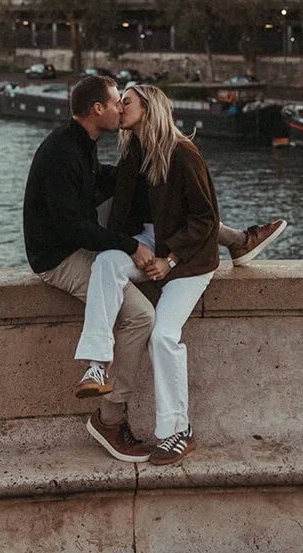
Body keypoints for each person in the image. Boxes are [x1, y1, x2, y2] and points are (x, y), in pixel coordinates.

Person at [74, 83, 221, 467]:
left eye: (126, 102)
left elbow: (206, 220)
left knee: (163, 336)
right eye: (118, 101)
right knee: (106, 262)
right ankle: (95, 362)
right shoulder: (133, 153)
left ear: (148, 107)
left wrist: (169, 259)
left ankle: (178, 431)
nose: (119, 107)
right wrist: (118, 245)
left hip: (189, 261)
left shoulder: (183, 153)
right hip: (151, 243)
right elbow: (121, 217)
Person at [22, 72, 156, 462]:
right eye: (116, 102)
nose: (120, 109)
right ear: (97, 109)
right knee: (140, 317)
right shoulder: (62, 153)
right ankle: (109, 419)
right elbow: (73, 227)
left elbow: (98, 181)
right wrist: (130, 246)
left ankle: (230, 236)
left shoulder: (80, 144)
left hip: (74, 245)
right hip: (59, 258)